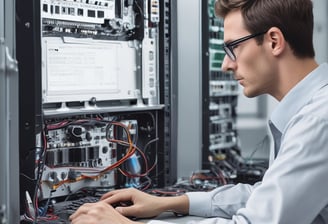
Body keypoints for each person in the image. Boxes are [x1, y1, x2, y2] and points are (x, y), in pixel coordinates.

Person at [69, 0, 328, 223]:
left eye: (232, 48)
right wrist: (170, 202)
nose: (227, 65)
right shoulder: (310, 110)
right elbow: (267, 198)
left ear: (273, 41)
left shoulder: (319, 120)